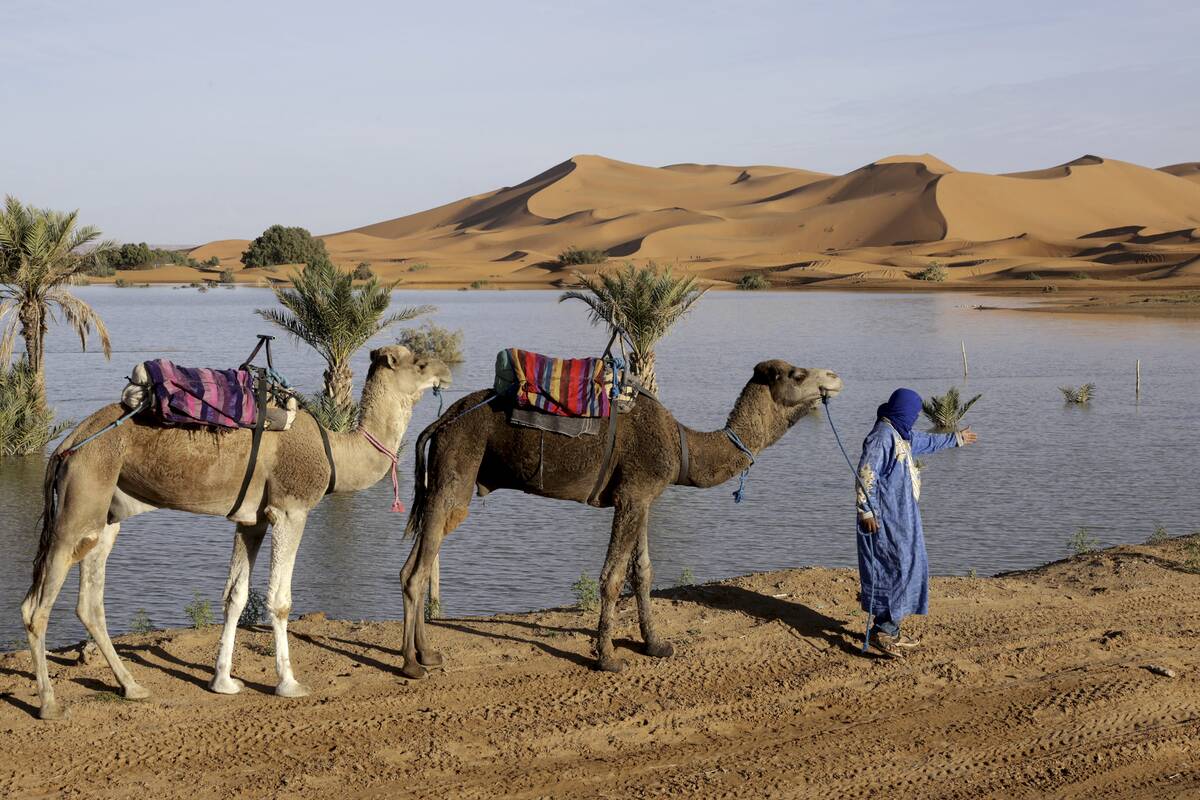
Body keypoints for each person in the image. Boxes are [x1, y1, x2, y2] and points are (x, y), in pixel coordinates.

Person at [855, 388, 977, 658]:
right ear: (902, 410)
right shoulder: (882, 437)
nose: (915, 417)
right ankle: (884, 630)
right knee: (895, 566)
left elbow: (925, 441)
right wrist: (866, 510)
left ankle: (889, 626)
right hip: (884, 517)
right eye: (913, 412)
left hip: (903, 515)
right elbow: (866, 472)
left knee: (909, 564)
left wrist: (955, 439)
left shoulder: (901, 434)